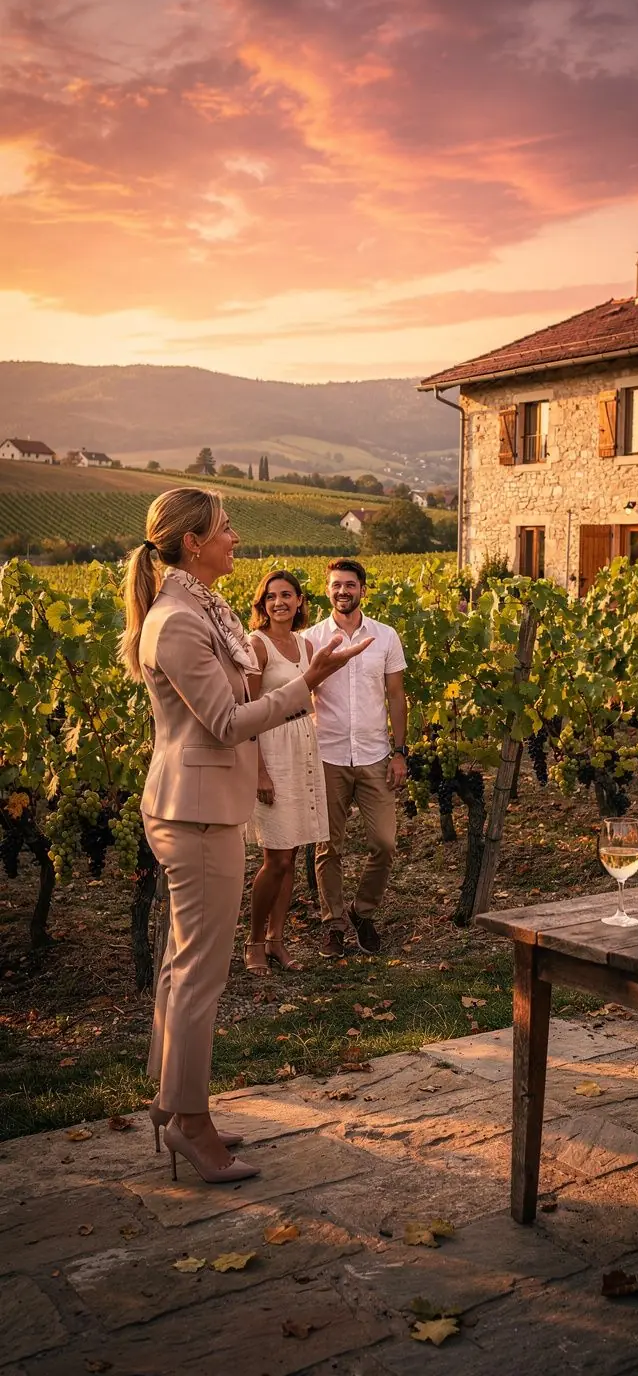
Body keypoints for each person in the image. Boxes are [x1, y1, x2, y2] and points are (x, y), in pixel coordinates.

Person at [119, 489, 371, 1185]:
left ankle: (172, 1110)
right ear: (192, 541)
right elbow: (226, 721)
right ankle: (190, 1124)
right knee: (201, 972)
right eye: (225, 528)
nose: (235, 537)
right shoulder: (176, 621)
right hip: (195, 808)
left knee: (183, 963)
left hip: (203, 802)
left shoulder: (201, 608)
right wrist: (308, 686)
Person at [308, 558, 408, 958]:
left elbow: (396, 696)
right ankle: (333, 924)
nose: (343, 591)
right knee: (328, 848)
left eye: (350, 584)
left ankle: (362, 911)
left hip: (374, 756)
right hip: (327, 755)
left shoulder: (385, 637)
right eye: (336, 585)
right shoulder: (311, 639)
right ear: (327, 590)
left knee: (384, 843)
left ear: (363, 589)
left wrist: (400, 752)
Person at [244, 569, 329, 975]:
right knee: (274, 858)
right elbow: (248, 711)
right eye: (271, 597)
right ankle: (254, 942)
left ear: (299, 601)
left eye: (287, 595)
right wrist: (259, 771)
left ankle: (278, 940)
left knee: (292, 854)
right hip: (271, 746)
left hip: (301, 744)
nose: (279, 602)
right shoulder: (256, 646)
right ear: (262, 604)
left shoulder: (306, 643)